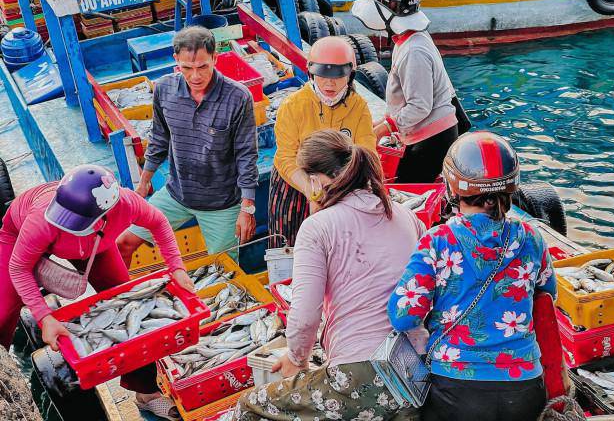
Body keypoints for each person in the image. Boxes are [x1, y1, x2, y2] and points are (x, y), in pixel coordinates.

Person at [235, 130, 426, 421]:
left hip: (366, 376)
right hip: (417, 369)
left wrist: (296, 358)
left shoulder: (317, 227)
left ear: (317, 180)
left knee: (250, 405)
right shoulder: (405, 215)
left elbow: (305, 315)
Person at [0, 165, 194, 420]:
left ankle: (147, 393)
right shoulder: (43, 218)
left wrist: (176, 267)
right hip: (18, 236)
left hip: (95, 245)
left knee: (127, 304)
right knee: (2, 314)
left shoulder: (127, 203)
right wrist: (44, 317)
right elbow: (19, 266)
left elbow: (158, 222)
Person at [387, 131, 557, 421]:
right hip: (526, 389)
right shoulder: (532, 237)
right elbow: (548, 294)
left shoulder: (438, 240)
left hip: (456, 390)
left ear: (453, 189)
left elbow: (403, 316)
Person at [117, 26, 259, 262]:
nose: (195, 76)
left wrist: (247, 208)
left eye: (203, 66)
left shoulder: (238, 97)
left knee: (224, 268)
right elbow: (159, 139)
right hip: (176, 194)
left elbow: (247, 155)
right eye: (187, 68)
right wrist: (143, 185)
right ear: (176, 61)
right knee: (123, 244)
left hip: (221, 204)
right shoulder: (164, 88)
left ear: (215, 58)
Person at [269, 36, 376, 247]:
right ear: (311, 73)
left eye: (338, 76)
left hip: (341, 183)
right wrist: (312, 192)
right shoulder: (292, 106)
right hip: (295, 181)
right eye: (323, 75)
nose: (329, 83)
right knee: (289, 245)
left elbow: (366, 152)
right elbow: (285, 157)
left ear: (350, 75)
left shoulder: (359, 107)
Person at [352, 0, 459, 183]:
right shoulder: (408, 39)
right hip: (422, 134)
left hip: (432, 139)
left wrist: (385, 128)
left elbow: (420, 106)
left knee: (408, 187)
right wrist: (381, 122)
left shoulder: (414, 51)